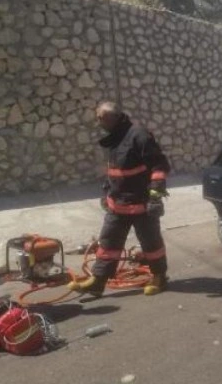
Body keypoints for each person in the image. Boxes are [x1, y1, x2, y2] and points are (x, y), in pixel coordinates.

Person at [68, 101, 171, 297]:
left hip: (142, 205)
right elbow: (114, 171)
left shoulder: (139, 135)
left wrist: (155, 197)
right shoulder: (115, 138)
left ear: (113, 117)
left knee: (151, 244)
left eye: (101, 118)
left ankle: (159, 277)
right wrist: (106, 193)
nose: (98, 122)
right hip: (117, 204)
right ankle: (98, 281)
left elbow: (159, 166)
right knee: (108, 244)